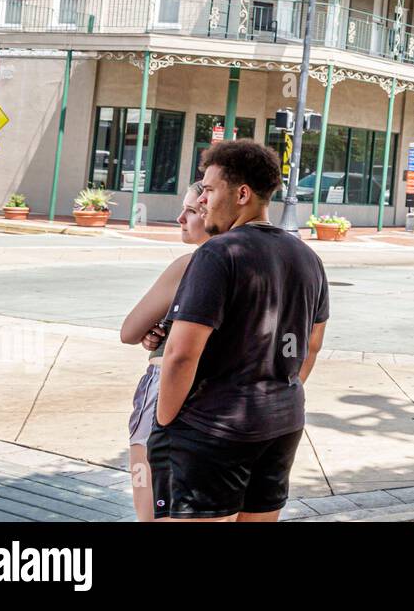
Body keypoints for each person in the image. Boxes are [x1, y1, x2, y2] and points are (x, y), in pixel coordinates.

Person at [147, 139, 328, 522]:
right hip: (282, 422)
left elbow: (181, 354)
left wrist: (166, 423)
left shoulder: (218, 253)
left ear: (241, 194)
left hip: (214, 426)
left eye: (210, 190)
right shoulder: (307, 257)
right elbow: (312, 345)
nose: (203, 202)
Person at [120, 181, 209, 522]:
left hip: (164, 387)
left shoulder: (189, 265)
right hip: (218, 399)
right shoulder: (246, 264)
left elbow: (129, 331)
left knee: (149, 497)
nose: (180, 218)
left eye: (190, 210)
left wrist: (155, 330)